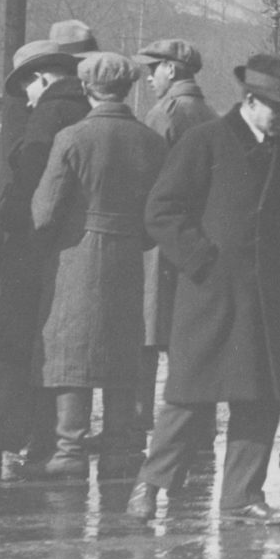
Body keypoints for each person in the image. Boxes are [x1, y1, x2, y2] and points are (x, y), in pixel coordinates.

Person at [130, 54, 280, 524]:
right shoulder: (205, 142)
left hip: (269, 299)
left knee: (260, 397)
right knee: (190, 398)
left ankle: (242, 498)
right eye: (277, 108)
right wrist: (202, 262)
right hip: (211, 294)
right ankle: (149, 486)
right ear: (250, 101)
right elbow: (162, 211)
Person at [0, 25, 98, 473]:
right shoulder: (81, 110)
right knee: (39, 347)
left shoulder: (50, 114)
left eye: (27, 86)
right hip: (60, 249)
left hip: (29, 248)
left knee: (13, 348)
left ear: (45, 78)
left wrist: (9, 233)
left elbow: (31, 181)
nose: (26, 97)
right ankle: (34, 437)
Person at [29, 53, 168, 478]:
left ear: (87, 88)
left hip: (77, 252)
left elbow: (45, 212)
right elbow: (158, 210)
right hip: (129, 254)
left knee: (73, 345)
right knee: (122, 347)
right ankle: (119, 448)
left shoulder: (72, 137)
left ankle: (70, 450)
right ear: (127, 89)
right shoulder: (150, 140)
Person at [133, 38, 216, 442]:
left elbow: (146, 178)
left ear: (172, 69)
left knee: (147, 335)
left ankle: (137, 420)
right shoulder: (209, 112)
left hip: (158, 238)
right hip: (196, 237)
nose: (149, 76)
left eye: (154, 68)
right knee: (188, 337)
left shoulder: (164, 112)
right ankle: (199, 425)